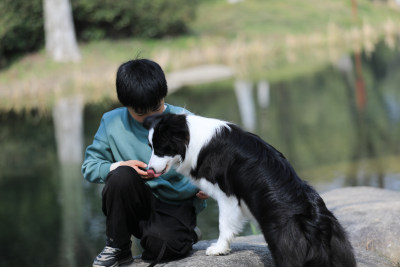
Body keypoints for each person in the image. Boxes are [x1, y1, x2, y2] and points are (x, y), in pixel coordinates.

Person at [82, 58, 208, 267]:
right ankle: (118, 247)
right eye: (140, 113)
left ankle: (187, 233)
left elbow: (209, 165)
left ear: (163, 95)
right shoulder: (111, 122)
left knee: (161, 249)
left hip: (177, 204)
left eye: (155, 108)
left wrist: (205, 185)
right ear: (125, 104)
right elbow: (89, 167)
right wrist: (118, 166)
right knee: (120, 176)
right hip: (137, 201)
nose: (150, 118)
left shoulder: (186, 121)